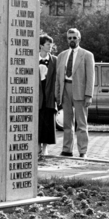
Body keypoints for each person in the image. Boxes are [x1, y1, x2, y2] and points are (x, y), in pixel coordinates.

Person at [55, 28, 95, 158]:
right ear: (67, 39)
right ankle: (67, 149)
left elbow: (91, 77)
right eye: (69, 38)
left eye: (74, 37)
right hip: (65, 89)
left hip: (80, 91)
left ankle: (83, 151)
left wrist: (88, 95)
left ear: (79, 38)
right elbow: (58, 77)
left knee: (81, 123)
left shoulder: (87, 55)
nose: (72, 40)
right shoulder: (61, 56)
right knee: (67, 122)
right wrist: (57, 94)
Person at [38, 34, 57, 156]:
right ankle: (37, 146)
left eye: (51, 44)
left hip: (50, 94)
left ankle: (45, 148)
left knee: (48, 121)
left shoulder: (55, 60)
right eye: (47, 44)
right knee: (37, 121)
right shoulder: (32, 58)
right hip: (37, 95)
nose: (50, 46)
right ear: (41, 45)